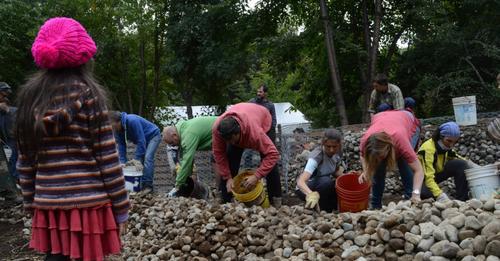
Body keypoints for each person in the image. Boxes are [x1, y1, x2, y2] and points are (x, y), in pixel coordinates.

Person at [16, 17, 129, 261]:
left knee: (56, 257)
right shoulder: (90, 95)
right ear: (84, 57)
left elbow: (25, 161)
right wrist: (121, 208)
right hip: (89, 205)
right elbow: (107, 158)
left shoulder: (29, 100)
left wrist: (30, 203)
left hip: (48, 203)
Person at [212, 103, 282, 208]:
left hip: (262, 118)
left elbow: (273, 154)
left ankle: (275, 198)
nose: (230, 142)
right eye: (227, 140)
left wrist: (256, 176)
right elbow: (219, 154)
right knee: (230, 158)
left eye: (231, 139)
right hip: (243, 114)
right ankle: (227, 200)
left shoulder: (255, 133)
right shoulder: (218, 130)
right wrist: (228, 178)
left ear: (238, 133)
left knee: (268, 161)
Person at [358, 110, 424, 209]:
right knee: (378, 168)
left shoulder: (400, 140)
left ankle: (410, 200)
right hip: (383, 117)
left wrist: (416, 193)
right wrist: (366, 171)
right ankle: (376, 206)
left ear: (389, 148)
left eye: (381, 156)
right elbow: (363, 156)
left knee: (404, 162)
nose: (379, 159)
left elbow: (418, 170)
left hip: (407, 119)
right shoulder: (365, 141)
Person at [418, 122, 476, 201]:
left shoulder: (445, 147)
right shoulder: (428, 149)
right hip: (421, 178)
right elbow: (428, 177)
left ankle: (462, 199)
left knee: (461, 164)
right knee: (425, 193)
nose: (451, 145)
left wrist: (474, 166)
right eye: (449, 141)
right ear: (440, 136)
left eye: (454, 142)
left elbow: (456, 157)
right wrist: (439, 195)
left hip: (436, 174)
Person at [162, 116, 216, 198]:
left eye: (172, 143)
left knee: (219, 161)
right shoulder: (182, 130)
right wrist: (187, 176)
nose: (173, 146)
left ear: (174, 135)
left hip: (225, 131)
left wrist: (177, 186)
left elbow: (187, 161)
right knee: (216, 159)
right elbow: (186, 160)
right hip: (218, 136)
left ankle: (223, 193)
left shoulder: (188, 135)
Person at [110, 111, 161, 193]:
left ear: (118, 121)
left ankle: (148, 186)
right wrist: (123, 161)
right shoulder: (118, 130)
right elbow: (121, 145)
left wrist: (136, 159)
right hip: (143, 139)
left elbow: (141, 140)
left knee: (148, 158)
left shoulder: (132, 120)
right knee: (139, 163)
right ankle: (139, 186)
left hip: (153, 136)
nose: (113, 128)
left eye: (113, 126)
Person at [296, 129, 345, 212]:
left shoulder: (338, 153)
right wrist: (310, 194)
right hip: (306, 188)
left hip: (322, 185)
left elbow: (335, 171)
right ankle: (321, 209)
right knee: (326, 182)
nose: (331, 150)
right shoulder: (317, 156)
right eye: (328, 146)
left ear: (339, 145)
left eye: (334, 147)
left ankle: (331, 210)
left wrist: (346, 177)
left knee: (337, 184)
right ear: (323, 144)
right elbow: (301, 182)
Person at [0, 82, 18, 180]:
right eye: (3, 94)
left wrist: (8, 111)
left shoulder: (13, 110)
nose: (5, 96)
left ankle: (14, 181)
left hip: (13, 142)